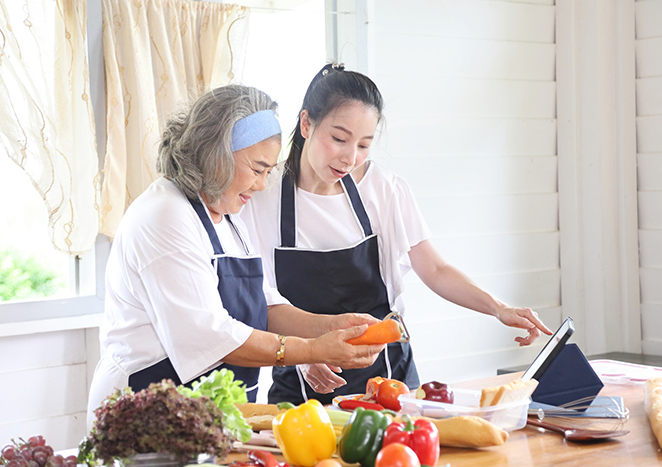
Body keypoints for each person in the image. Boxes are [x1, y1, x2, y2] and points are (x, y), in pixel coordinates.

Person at [241, 64, 553, 405]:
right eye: (339, 139)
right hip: (305, 384)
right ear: (306, 124)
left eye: (364, 145)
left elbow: (434, 269)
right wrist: (307, 351)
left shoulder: (384, 190)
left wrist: (498, 308)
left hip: (389, 380)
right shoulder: (259, 200)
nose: (350, 157)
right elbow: (263, 304)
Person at [86, 85, 384, 426]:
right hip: (143, 412)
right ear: (216, 155)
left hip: (205, 415)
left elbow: (265, 305)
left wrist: (330, 327)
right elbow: (210, 334)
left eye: (268, 172)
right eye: (257, 170)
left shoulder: (229, 218)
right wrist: (312, 351)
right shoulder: (165, 216)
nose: (261, 186)